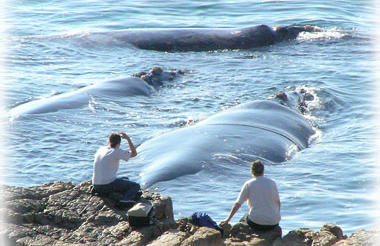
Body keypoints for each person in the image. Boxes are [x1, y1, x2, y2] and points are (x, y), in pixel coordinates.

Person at [220, 160, 281, 231]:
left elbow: (238, 204)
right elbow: (278, 203)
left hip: (256, 223)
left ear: (252, 171)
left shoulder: (249, 184)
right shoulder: (272, 183)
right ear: (263, 171)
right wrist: (275, 215)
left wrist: (228, 219)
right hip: (274, 223)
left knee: (244, 218)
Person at [92, 132, 140, 202]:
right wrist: (128, 139)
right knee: (135, 186)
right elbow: (134, 153)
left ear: (109, 141)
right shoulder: (116, 151)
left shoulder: (101, 149)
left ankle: (108, 193)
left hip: (96, 185)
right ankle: (125, 200)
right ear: (119, 143)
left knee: (125, 179)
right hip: (106, 185)